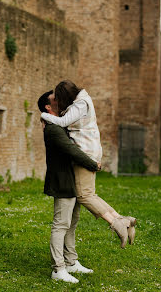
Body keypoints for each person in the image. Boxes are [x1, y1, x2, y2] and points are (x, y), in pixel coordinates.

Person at [41, 80, 136, 248]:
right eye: (54, 98)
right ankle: (122, 220)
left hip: (85, 152)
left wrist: (43, 115)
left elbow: (63, 124)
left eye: (58, 97)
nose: (57, 101)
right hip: (90, 150)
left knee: (85, 196)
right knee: (90, 194)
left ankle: (116, 223)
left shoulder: (79, 105)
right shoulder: (81, 101)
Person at [38, 90, 100, 283]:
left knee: (71, 223)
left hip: (71, 179)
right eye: (54, 99)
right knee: (61, 225)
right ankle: (58, 269)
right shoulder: (53, 128)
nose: (58, 100)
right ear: (48, 107)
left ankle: (71, 262)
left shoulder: (60, 123)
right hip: (62, 181)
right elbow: (71, 150)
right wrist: (92, 164)